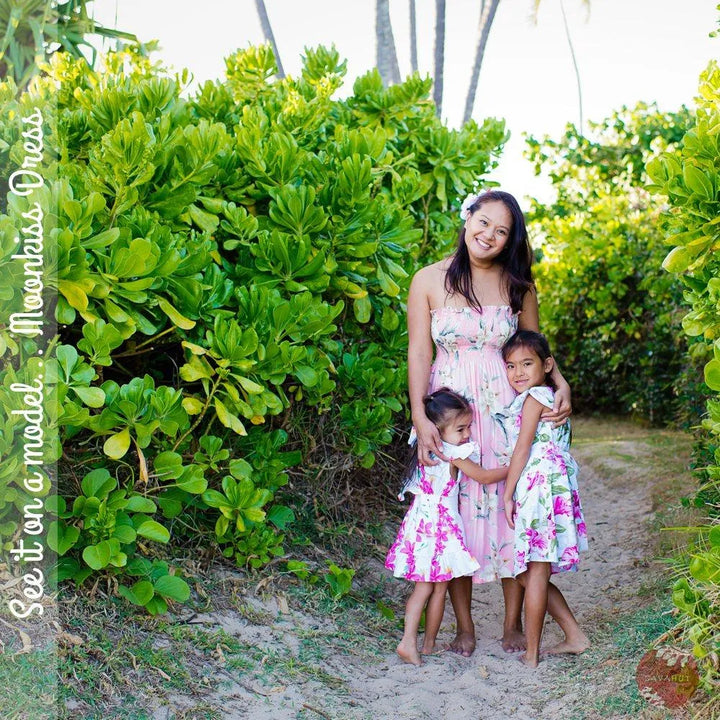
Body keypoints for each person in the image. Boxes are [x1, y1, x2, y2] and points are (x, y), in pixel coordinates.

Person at [406, 188, 572, 656]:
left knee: (510, 507)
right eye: (484, 223)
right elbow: (419, 351)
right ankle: (464, 626)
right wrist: (420, 416)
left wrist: (563, 385)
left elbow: (535, 347)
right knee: (454, 513)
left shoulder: (517, 283)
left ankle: (513, 621)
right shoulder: (428, 280)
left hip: (507, 413)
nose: (490, 236)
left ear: (509, 240)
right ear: (467, 219)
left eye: (502, 231)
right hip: (451, 413)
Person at [385, 388, 507, 666]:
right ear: (439, 429)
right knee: (432, 589)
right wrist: (515, 468)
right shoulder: (452, 453)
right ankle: (413, 643)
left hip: (419, 522)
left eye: (469, 427)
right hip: (440, 526)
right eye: (461, 428)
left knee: (429, 588)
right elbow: (484, 476)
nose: (467, 435)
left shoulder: (421, 441)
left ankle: (422, 643)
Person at [497, 329, 589, 667]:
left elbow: (522, 450)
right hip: (555, 487)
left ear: (547, 364)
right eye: (510, 366)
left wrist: (507, 494)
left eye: (527, 364)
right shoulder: (554, 396)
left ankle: (532, 654)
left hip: (538, 486)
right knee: (532, 571)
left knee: (534, 572)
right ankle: (574, 636)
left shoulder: (536, 398)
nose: (518, 373)